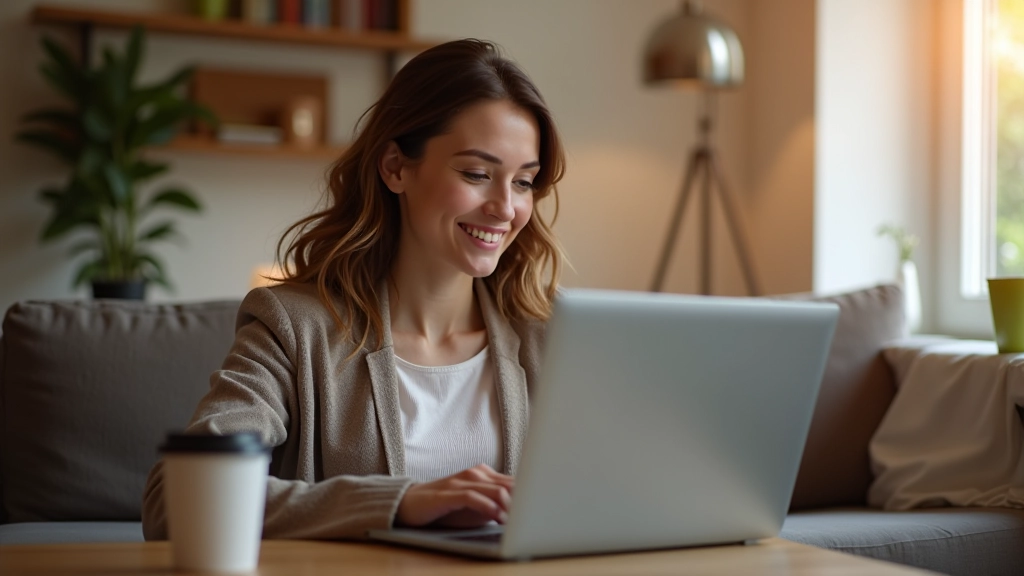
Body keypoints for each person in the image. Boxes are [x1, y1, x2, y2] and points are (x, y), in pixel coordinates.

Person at [141, 38, 566, 540]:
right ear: (395, 168)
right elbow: (179, 497)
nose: (505, 207)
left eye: (523, 182)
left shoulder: (553, 339)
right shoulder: (294, 328)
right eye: (477, 173)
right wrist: (400, 502)